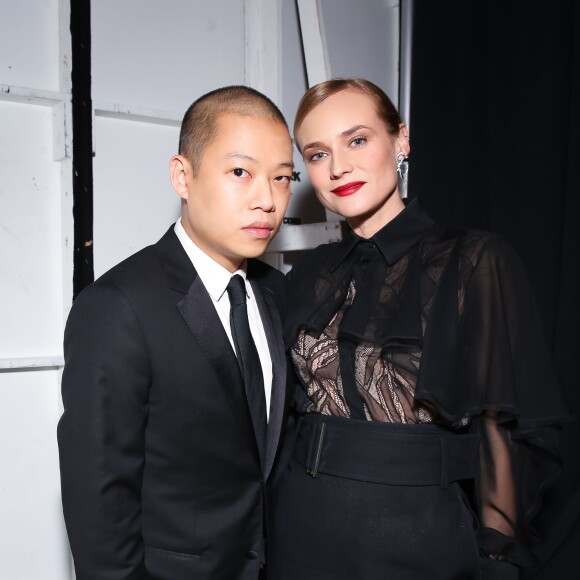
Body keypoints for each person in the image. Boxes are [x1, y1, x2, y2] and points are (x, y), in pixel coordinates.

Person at [269, 78, 568, 580]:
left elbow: (502, 429)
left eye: (357, 140)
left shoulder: (473, 260)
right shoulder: (307, 275)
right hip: (300, 528)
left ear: (401, 140)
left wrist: (497, 559)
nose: (339, 166)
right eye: (318, 154)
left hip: (417, 534)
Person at [58, 85, 295, 580]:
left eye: (282, 178)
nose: (267, 200)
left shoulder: (277, 296)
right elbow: (99, 500)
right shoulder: (117, 307)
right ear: (182, 176)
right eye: (240, 173)